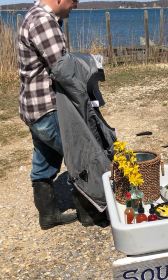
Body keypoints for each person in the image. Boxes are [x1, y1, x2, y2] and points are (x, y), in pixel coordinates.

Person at [18, 0, 78, 229]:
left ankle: (48, 214)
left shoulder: (34, 15)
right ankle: (93, 210)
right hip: (46, 107)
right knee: (78, 155)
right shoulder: (43, 21)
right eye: (74, 1)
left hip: (33, 106)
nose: (76, 6)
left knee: (45, 158)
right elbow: (63, 69)